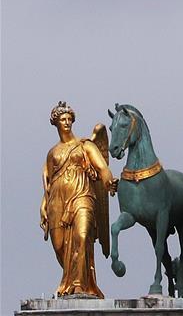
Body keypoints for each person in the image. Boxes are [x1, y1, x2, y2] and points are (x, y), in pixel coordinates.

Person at [40, 101, 117, 298]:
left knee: (82, 237)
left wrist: (109, 183)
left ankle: (80, 286)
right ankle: (68, 281)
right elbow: (49, 182)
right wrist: (43, 205)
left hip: (82, 196)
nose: (66, 123)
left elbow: (102, 168)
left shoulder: (86, 146)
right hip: (57, 201)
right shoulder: (52, 153)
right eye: (62, 120)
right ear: (56, 123)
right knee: (60, 246)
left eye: (69, 119)